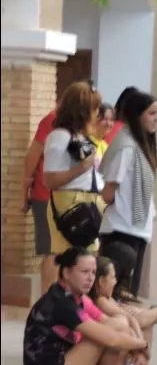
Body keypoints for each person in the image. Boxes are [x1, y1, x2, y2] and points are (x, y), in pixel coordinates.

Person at [21, 248, 147, 365]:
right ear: (66, 272)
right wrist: (143, 346)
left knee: (119, 325)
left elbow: (110, 322)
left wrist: (134, 342)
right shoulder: (61, 302)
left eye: (93, 272)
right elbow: (112, 339)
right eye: (84, 272)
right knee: (112, 334)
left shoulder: (76, 297)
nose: (90, 278)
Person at [98, 90, 157, 301]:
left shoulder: (141, 145)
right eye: (151, 113)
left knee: (129, 298)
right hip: (121, 229)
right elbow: (108, 192)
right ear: (137, 114)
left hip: (137, 230)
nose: (156, 119)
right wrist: (123, 204)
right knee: (115, 296)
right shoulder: (126, 147)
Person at [90, 255, 157, 365]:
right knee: (130, 328)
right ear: (102, 281)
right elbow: (131, 319)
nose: (116, 281)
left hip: (125, 340)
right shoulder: (101, 301)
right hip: (106, 354)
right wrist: (143, 349)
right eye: (113, 277)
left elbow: (134, 318)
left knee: (144, 323)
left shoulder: (109, 299)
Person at [43, 82, 107, 256]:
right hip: (72, 205)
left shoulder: (81, 136)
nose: (98, 114)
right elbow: (49, 180)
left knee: (87, 261)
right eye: (95, 108)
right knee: (73, 261)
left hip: (89, 202)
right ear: (83, 111)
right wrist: (82, 167)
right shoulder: (60, 136)